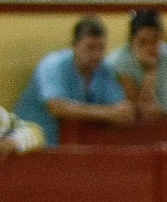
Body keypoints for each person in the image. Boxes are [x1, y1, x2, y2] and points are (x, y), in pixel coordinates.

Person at [13, 15, 133, 147]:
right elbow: (56, 107)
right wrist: (107, 113)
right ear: (75, 45)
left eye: (101, 48)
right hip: (31, 144)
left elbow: (120, 107)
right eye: (90, 47)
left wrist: (121, 112)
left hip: (73, 147)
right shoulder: (53, 64)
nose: (97, 54)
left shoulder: (103, 69)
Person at [109, 9, 167, 120]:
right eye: (143, 42)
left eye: (155, 40)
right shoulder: (119, 61)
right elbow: (139, 111)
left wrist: (164, 112)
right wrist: (150, 71)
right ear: (132, 41)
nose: (150, 48)